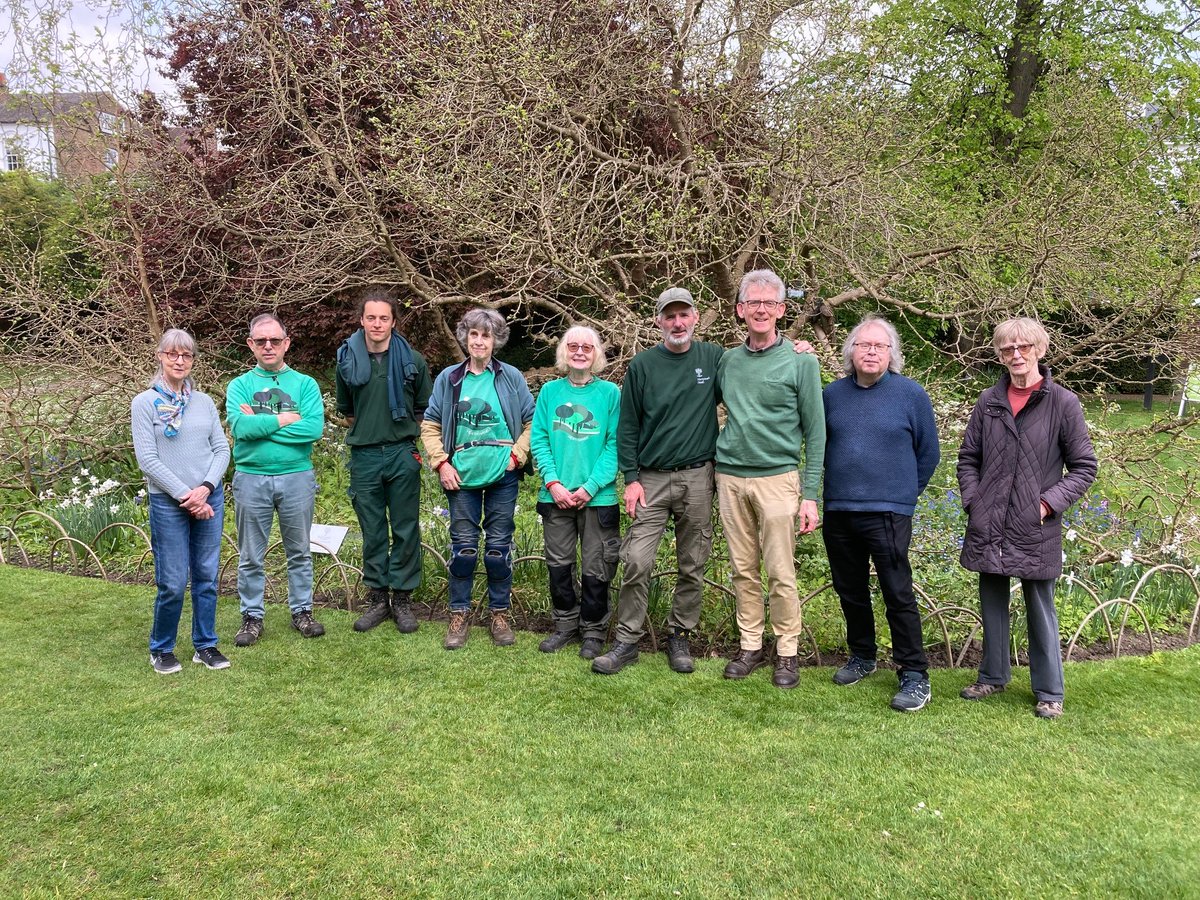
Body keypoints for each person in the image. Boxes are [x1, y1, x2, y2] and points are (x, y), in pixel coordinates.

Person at [957, 317, 1097, 719]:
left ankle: (1050, 690)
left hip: (1034, 524)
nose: (1015, 355)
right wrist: (974, 500)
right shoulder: (989, 401)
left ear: (1039, 350)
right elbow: (969, 458)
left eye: (1023, 347)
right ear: (1000, 355)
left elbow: (1085, 466)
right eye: (1007, 349)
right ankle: (993, 676)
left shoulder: (1062, 403)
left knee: (1040, 606)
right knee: (992, 600)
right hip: (990, 521)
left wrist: (1045, 505)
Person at [591, 287, 725, 675]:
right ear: (658, 321)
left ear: (695, 318)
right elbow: (628, 427)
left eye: (684, 315)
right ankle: (627, 641)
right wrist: (631, 478)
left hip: (698, 476)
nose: (677, 322)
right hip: (650, 479)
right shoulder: (643, 365)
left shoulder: (713, 358)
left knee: (692, 562)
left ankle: (679, 636)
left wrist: (793, 348)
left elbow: (755, 365)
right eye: (670, 316)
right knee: (635, 559)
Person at [822, 315, 940, 711]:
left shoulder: (911, 395)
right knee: (850, 590)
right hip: (840, 509)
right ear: (850, 352)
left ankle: (914, 673)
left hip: (889, 512)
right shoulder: (831, 396)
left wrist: (903, 494)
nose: (871, 351)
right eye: (863, 345)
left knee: (897, 591)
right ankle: (863, 656)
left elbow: (929, 453)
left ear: (892, 354)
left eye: (879, 346)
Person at [715, 269, 825, 689]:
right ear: (740, 309)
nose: (761, 309)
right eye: (753, 302)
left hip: (779, 478)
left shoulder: (802, 361)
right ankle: (750, 645)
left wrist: (810, 494)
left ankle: (787, 652)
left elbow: (816, 432)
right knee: (742, 568)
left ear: (781, 309)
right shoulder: (727, 361)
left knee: (780, 571)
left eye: (770, 303)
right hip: (730, 478)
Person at [421, 308, 535, 649]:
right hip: (462, 476)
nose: (480, 341)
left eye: (486, 335)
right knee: (465, 549)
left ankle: (499, 613)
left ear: (495, 340)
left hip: (503, 474)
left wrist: (518, 455)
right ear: (465, 338)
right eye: (474, 334)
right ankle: (459, 614)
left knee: (498, 549)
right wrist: (441, 463)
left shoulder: (511, 377)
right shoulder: (449, 379)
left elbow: (532, 422)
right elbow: (430, 425)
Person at [132, 328, 231, 674]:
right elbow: (147, 459)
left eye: (186, 355)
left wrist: (205, 488)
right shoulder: (145, 403)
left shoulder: (203, 403)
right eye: (172, 353)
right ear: (159, 356)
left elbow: (222, 450)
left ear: (192, 361)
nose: (179, 360)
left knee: (205, 576)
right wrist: (187, 496)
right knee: (173, 582)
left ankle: (205, 645)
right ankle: (161, 649)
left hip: (209, 497)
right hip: (168, 502)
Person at [336, 291, 434, 635]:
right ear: (361, 320)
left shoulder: (413, 361)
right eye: (371, 317)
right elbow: (347, 411)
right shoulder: (347, 360)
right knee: (373, 530)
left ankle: (403, 599)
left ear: (393, 321)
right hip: (363, 456)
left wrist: (402, 437)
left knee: (405, 528)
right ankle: (378, 599)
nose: (377, 324)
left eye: (384, 318)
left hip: (401, 453)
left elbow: (425, 408)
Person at [226, 313, 326, 647]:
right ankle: (252, 616)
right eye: (260, 341)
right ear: (250, 345)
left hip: (296, 477)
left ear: (286, 343)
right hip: (251, 479)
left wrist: (263, 423)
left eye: (274, 340)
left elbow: (312, 429)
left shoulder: (305, 384)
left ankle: (302, 611)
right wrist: (285, 418)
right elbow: (241, 429)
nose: (268, 346)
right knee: (251, 554)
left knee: (299, 551)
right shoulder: (239, 385)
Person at [529, 326, 621, 659]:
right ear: (564, 353)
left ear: (596, 353)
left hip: (599, 498)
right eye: (573, 346)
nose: (580, 351)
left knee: (596, 567)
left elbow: (615, 445)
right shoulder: (550, 392)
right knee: (559, 564)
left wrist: (590, 486)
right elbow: (539, 439)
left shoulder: (611, 394)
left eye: (587, 346)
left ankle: (594, 631)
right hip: (555, 497)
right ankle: (565, 625)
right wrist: (553, 483)